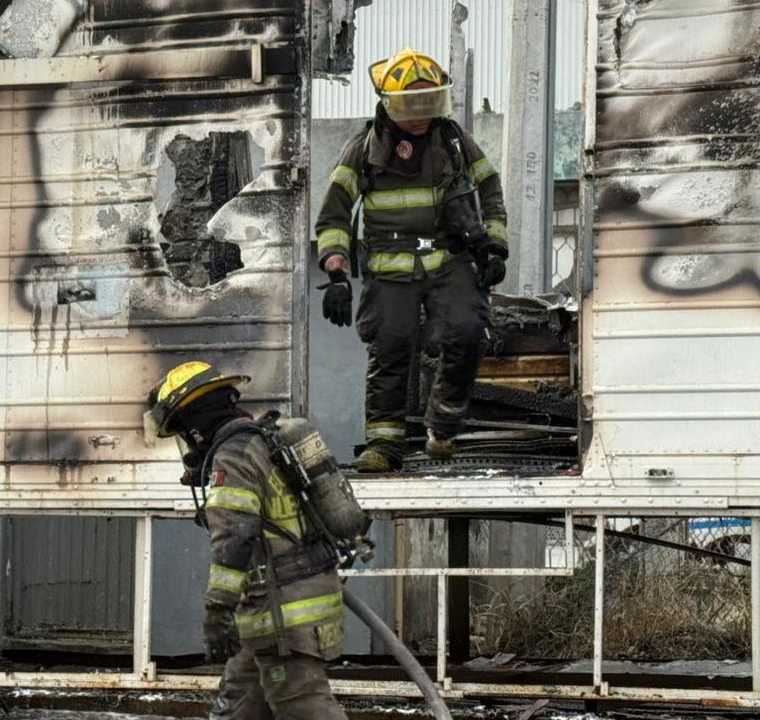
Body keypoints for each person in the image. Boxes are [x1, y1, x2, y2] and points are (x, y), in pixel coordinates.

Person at [314, 47, 509, 473]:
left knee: (468, 330)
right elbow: (333, 213)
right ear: (389, 104)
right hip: (390, 270)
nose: (422, 114)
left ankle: (444, 426)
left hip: (449, 260)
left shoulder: (454, 140)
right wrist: (336, 272)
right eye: (411, 104)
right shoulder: (362, 149)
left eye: (430, 102)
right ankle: (385, 447)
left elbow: (490, 188)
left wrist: (495, 246)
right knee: (390, 349)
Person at [144, 361, 352, 720]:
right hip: (285, 602)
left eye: (181, 434)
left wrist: (217, 612)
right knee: (238, 704)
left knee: (303, 705)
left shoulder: (234, 458)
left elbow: (233, 541)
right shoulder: (266, 444)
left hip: (282, 613)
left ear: (194, 427)